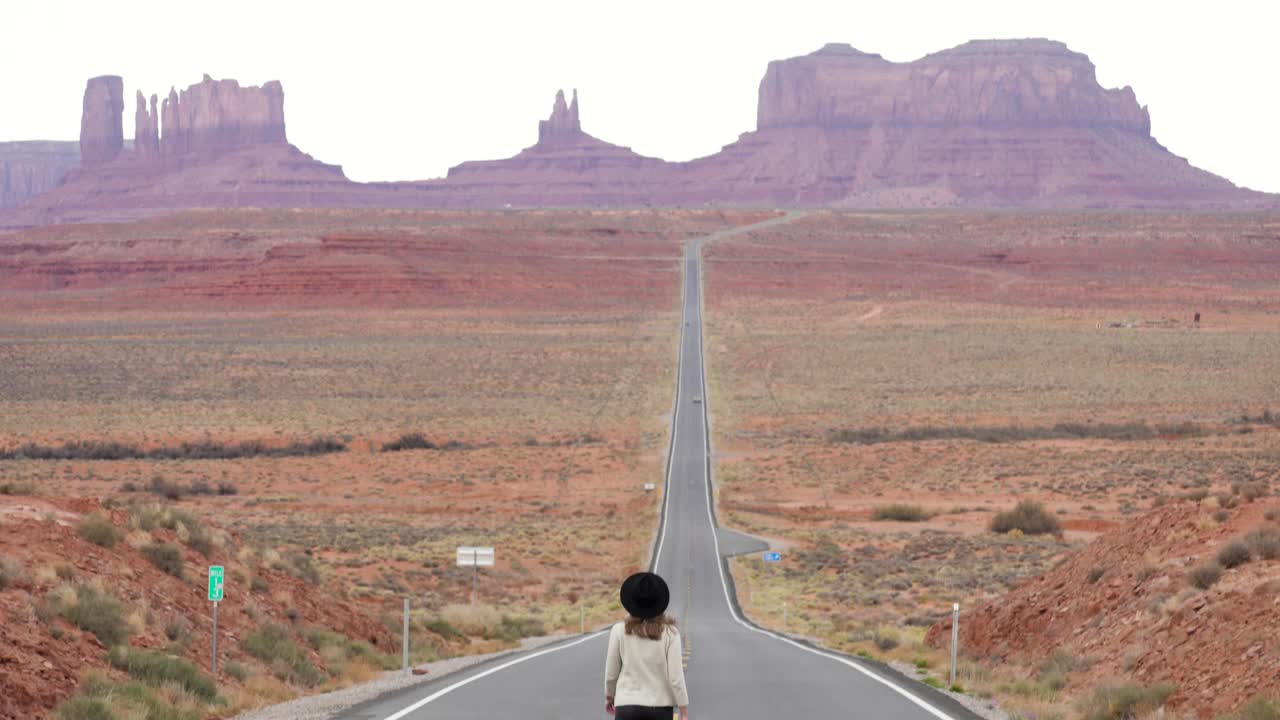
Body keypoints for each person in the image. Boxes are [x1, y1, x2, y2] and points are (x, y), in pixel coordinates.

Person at [605, 572, 690, 720]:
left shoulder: (618, 631)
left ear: (631, 602)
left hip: (627, 706)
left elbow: (611, 674)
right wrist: (683, 709)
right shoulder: (671, 633)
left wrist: (610, 696)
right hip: (660, 709)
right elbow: (676, 678)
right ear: (659, 602)